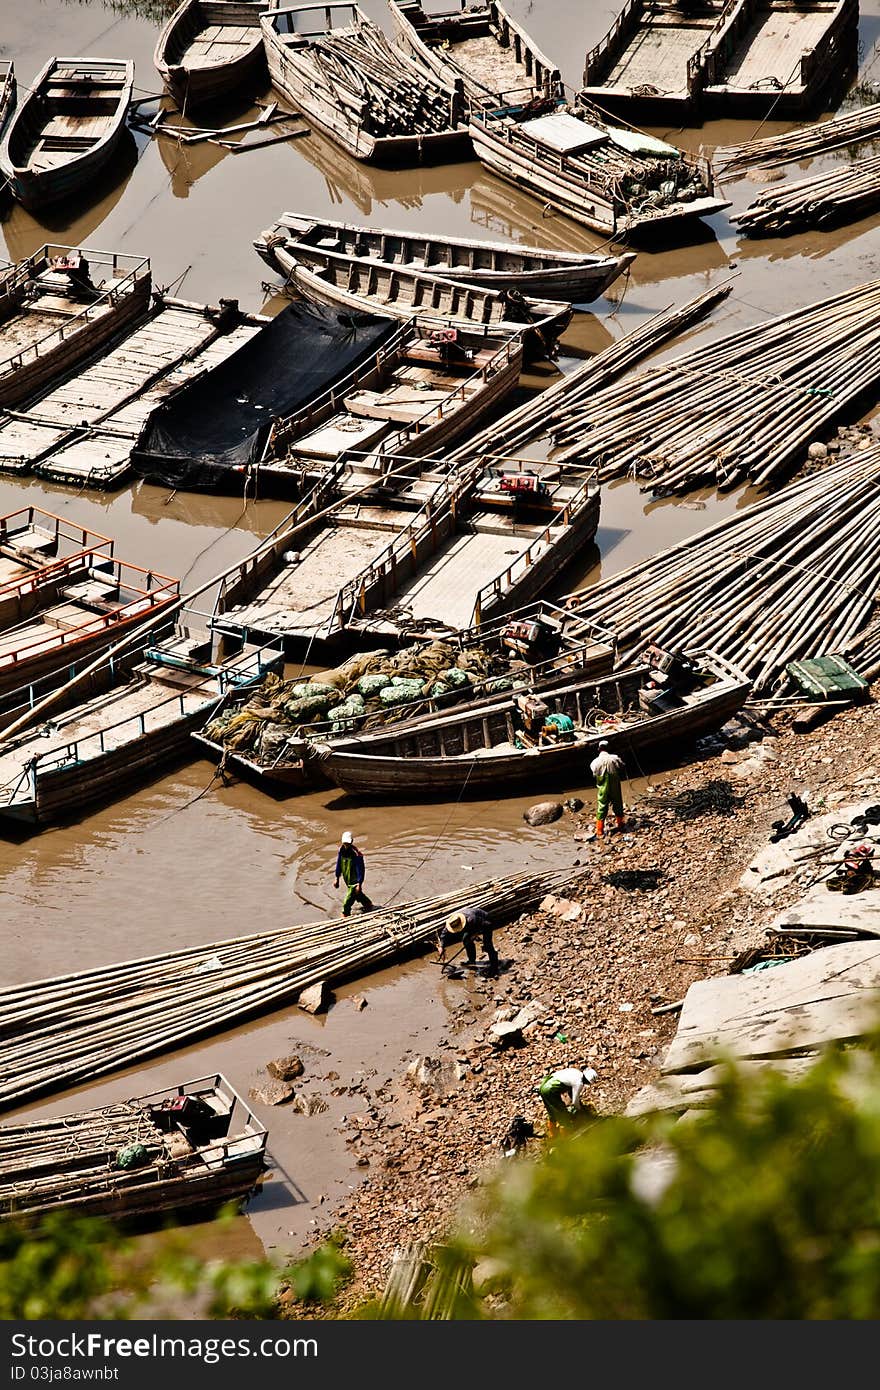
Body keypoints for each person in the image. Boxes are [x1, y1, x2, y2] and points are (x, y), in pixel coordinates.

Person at [437, 905, 499, 976]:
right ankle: (471, 961)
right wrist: (441, 946)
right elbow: (444, 934)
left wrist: (475, 934)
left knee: (487, 945)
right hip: (472, 925)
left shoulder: (472, 919)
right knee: (465, 939)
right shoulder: (452, 922)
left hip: (486, 921)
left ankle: (494, 967)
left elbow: (488, 924)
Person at [538, 1066, 598, 1135]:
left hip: (544, 1086)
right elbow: (575, 1102)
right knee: (563, 1116)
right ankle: (566, 1139)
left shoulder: (576, 1072)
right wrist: (581, 1111)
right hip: (550, 1090)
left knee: (552, 1114)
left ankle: (553, 1136)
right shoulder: (579, 1083)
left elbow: (571, 1093)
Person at [590, 739, 626, 837]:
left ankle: (600, 831)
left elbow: (594, 773)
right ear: (608, 748)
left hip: (603, 788)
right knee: (618, 804)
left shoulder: (594, 762)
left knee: (602, 806)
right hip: (615, 787)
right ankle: (621, 825)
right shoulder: (614, 758)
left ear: (599, 749)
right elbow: (622, 765)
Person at [335, 831, 374, 916]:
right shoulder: (341, 851)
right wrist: (337, 878)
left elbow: (360, 869)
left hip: (355, 881)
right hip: (347, 880)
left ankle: (345, 915)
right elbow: (339, 865)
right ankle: (368, 904)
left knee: (347, 901)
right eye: (345, 843)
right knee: (358, 895)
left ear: (351, 842)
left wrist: (359, 884)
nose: (346, 845)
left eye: (348, 843)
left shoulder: (356, 854)